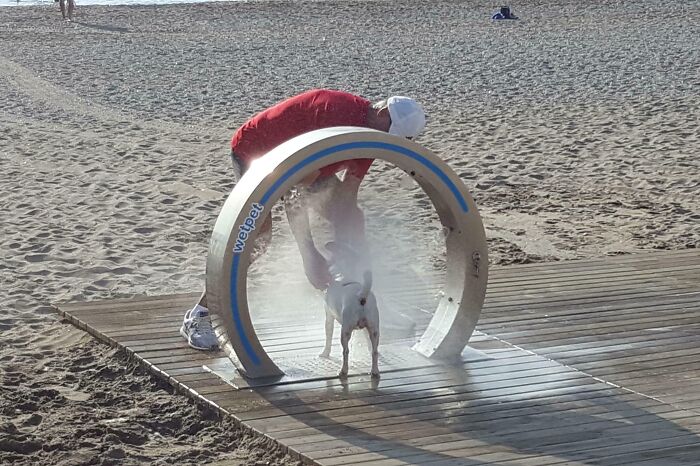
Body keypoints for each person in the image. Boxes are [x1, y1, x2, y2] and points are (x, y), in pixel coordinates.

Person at [180, 89, 426, 350]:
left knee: (352, 218)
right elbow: (294, 192)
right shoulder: (334, 115)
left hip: (305, 165)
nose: (385, 141)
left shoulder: (371, 135)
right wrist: (309, 255)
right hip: (258, 153)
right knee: (258, 238)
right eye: (389, 134)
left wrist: (348, 247)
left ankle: (364, 301)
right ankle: (200, 315)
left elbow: (346, 198)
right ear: (382, 113)